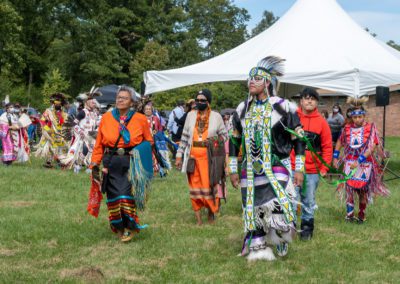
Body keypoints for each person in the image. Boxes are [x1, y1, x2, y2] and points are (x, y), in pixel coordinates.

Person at [228, 56, 305, 261]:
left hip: (277, 164)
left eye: (257, 78)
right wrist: (233, 169)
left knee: (279, 203)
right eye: (250, 78)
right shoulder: (242, 109)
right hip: (250, 169)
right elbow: (234, 140)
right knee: (253, 208)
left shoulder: (283, 107)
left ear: (267, 83)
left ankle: (280, 236)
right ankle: (259, 245)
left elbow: (299, 138)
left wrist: (299, 168)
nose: (251, 82)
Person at [89, 85, 154, 242]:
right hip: (111, 162)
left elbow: (149, 141)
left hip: (130, 163)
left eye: (124, 98)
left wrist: (138, 149)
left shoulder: (140, 119)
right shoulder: (107, 118)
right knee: (113, 198)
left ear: (131, 101)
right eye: (118, 98)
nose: (120, 100)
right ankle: (118, 227)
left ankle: (130, 227)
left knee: (124, 196)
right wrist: (94, 163)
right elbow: (99, 144)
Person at [176, 89, 228, 225]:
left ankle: (211, 213)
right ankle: (198, 220)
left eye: (203, 100)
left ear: (208, 102)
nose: (199, 102)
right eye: (197, 100)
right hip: (193, 156)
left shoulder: (216, 116)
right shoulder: (190, 116)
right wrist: (179, 155)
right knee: (194, 186)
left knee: (210, 186)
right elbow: (185, 137)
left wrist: (213, 140)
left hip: (209, 158)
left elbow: (225, 136)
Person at [333, 97, 389, 224]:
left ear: (364, 116)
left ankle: (362, 215)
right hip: (349, 162)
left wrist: (359, 161)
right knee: (349, 189)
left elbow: (372, 147)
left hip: (365, 164)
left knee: (363, 190)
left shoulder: (370, 128)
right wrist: (335, 157)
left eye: (360, 117)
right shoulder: (347, 129)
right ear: (351, 117)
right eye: (354, 117)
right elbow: (339, 142)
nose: (357, 120)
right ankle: (349, 214)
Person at [290, 87, 332, 240]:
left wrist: (324, 168)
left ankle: (307, 232)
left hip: (312, 171)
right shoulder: (292, 118)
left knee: (308, 201)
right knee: (291, 199)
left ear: (316, 102)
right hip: (293, 168)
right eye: (306, 98)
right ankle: (290, 230)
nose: (309, 101)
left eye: (312, 98)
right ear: (300, 101)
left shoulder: (322, 123)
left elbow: (327, 147)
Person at [59, 89, 101, 172]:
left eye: (94, 103)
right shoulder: (83, 112)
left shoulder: (94, 113)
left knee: (92, 151)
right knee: (84, 150)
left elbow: (96, 123)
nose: (94, 104)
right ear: (87, 102)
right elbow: (74, 123)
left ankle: (89, 167)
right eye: (92, 102)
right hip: (82, 136)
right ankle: (77, 165)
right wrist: (80, 132)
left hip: (91, 136)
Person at [35, 93, 69, 168]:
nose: (58, 105)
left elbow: (66, 123)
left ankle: (61, 161)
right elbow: (42, 121)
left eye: (59, 103)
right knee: (51, 147)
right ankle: (49, 162)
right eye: (56, 103)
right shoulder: (48, 111)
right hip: (51, 133)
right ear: (53, 103)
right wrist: (47, 130)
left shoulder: (64, 113)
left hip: (61, 133)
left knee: (61, 147)